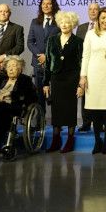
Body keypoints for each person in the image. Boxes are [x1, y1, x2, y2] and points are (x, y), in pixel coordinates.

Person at [80, 7, 106, 154]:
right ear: (98, 19)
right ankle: (97, 141)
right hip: (93, 75)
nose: (105, 20)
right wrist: (83, 76)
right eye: (103, 18)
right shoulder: (91, 34)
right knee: (95, 110)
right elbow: (85, 56)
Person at [43, 11, 83, 154]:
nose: (65, 25)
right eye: (62, 22)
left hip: (71, 79)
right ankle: (56, 139)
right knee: (57, 111)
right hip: (56, 79)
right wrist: (45, 83)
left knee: (70, 110)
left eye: (68, 22)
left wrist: (80, 84)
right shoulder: (52, 40)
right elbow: (47, 62)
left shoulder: (78, 41)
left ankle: (70, 140)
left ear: (72, 24)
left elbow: (81, 64)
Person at [27, 0, 60, 110]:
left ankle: (57, 124)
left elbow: (61, 43)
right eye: (43, 4)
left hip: (54, 63)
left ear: (53, 5)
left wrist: (48, 56)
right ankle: (40, 122)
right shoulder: (35, 22)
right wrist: (40, 55)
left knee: (56, 93)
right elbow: (30, 42)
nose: (46, 6)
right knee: (39, 94)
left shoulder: (59, 22)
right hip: (38, 63)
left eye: (49, 3)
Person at [76, 2, 100, 132]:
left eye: (95, 9)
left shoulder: (104, 27)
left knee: (98, 95)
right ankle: (86, 123)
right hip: (84, 65)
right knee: (84, 94)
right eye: (90, 9)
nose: (93, 11)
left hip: (99, 66)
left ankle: (99, 123)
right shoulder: (81, 28)